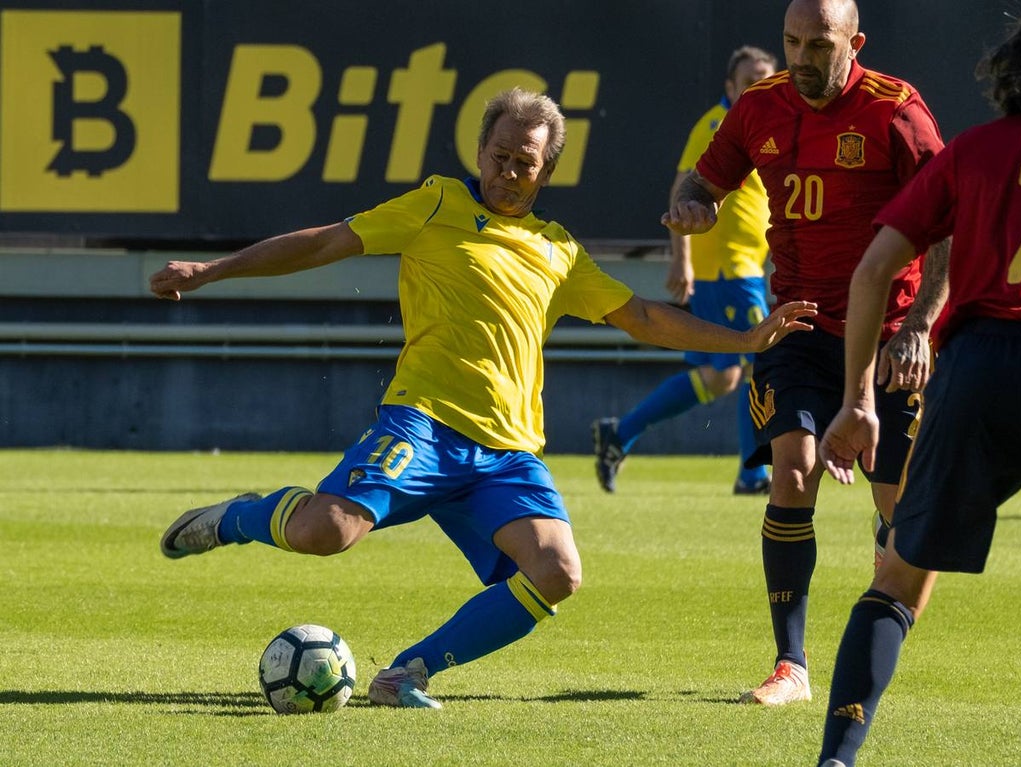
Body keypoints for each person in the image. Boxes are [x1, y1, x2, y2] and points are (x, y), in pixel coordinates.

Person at [151, 88, 818, 710]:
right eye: (498, 157)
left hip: (506, 454)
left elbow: (641, 315)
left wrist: (747, 338)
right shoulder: (435, 204)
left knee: (558, 570)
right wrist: (211, 270)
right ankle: (238, 517)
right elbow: (326, 241)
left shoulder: (556, 250)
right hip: (423, 425)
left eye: (523, 163)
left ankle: (404, 672)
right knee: (326, 532)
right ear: (479, 152)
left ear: (544, 172)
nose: (507, 171)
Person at [815, 1, 1021, 764]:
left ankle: (837, 758)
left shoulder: (971, 152)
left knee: (897, 577)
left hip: (974, 376)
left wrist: (858, 397)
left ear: (1014, 66)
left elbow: (873, 270)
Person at [661, 0, 951, 707]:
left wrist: (919, 325)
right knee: (792, 472)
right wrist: (692, 204)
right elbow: (698, 180)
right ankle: (790, 663)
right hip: (796, 325)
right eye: (791, 42)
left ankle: (886, 605)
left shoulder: (896, 110)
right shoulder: (758, 107)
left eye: (818, 44)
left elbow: (949, 229)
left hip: (887, 338)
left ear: (854, 41)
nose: (801, 58)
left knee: (899, 510)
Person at [592, 45, 778, 496]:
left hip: (741, 267)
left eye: (767, 78)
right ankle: (753, 473)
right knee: (762, 358)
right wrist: (682, 258)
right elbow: (684, 188)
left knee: (721, 376)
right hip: (729, 269)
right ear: (730, 87)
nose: (759, 85)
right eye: (750, 79)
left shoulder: (761, 122)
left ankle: (620, 433)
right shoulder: (718, 124)